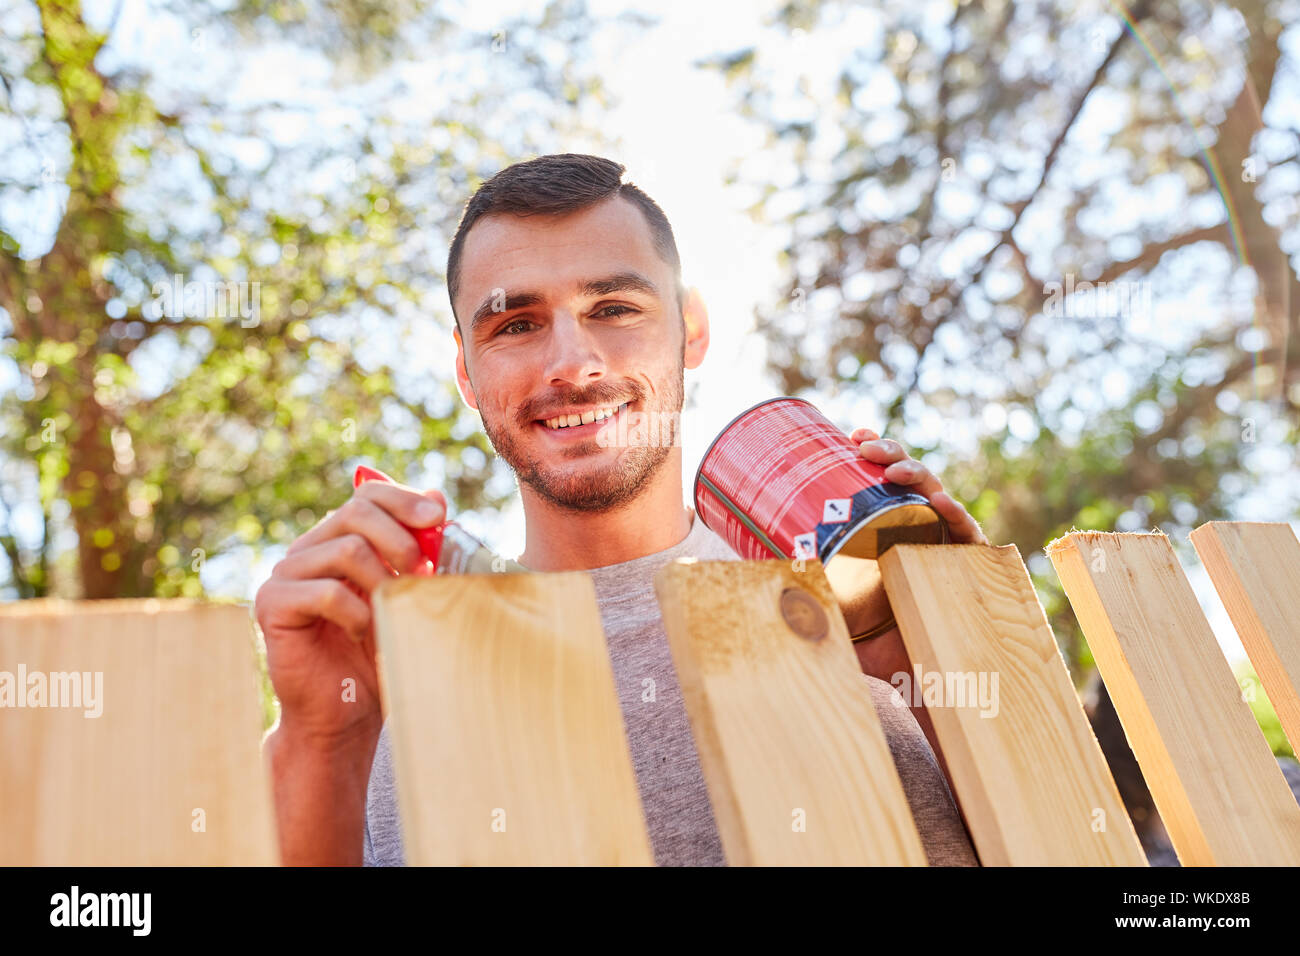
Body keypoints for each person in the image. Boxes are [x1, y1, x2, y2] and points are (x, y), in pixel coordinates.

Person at [256, 153, 987, 866]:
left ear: (690, 327)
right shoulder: (383, 682)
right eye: (515, 325)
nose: (573, 364)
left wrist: (935, 649)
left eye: (614, 308)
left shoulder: (859, 600)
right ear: (465, 372)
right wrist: (325, 741)